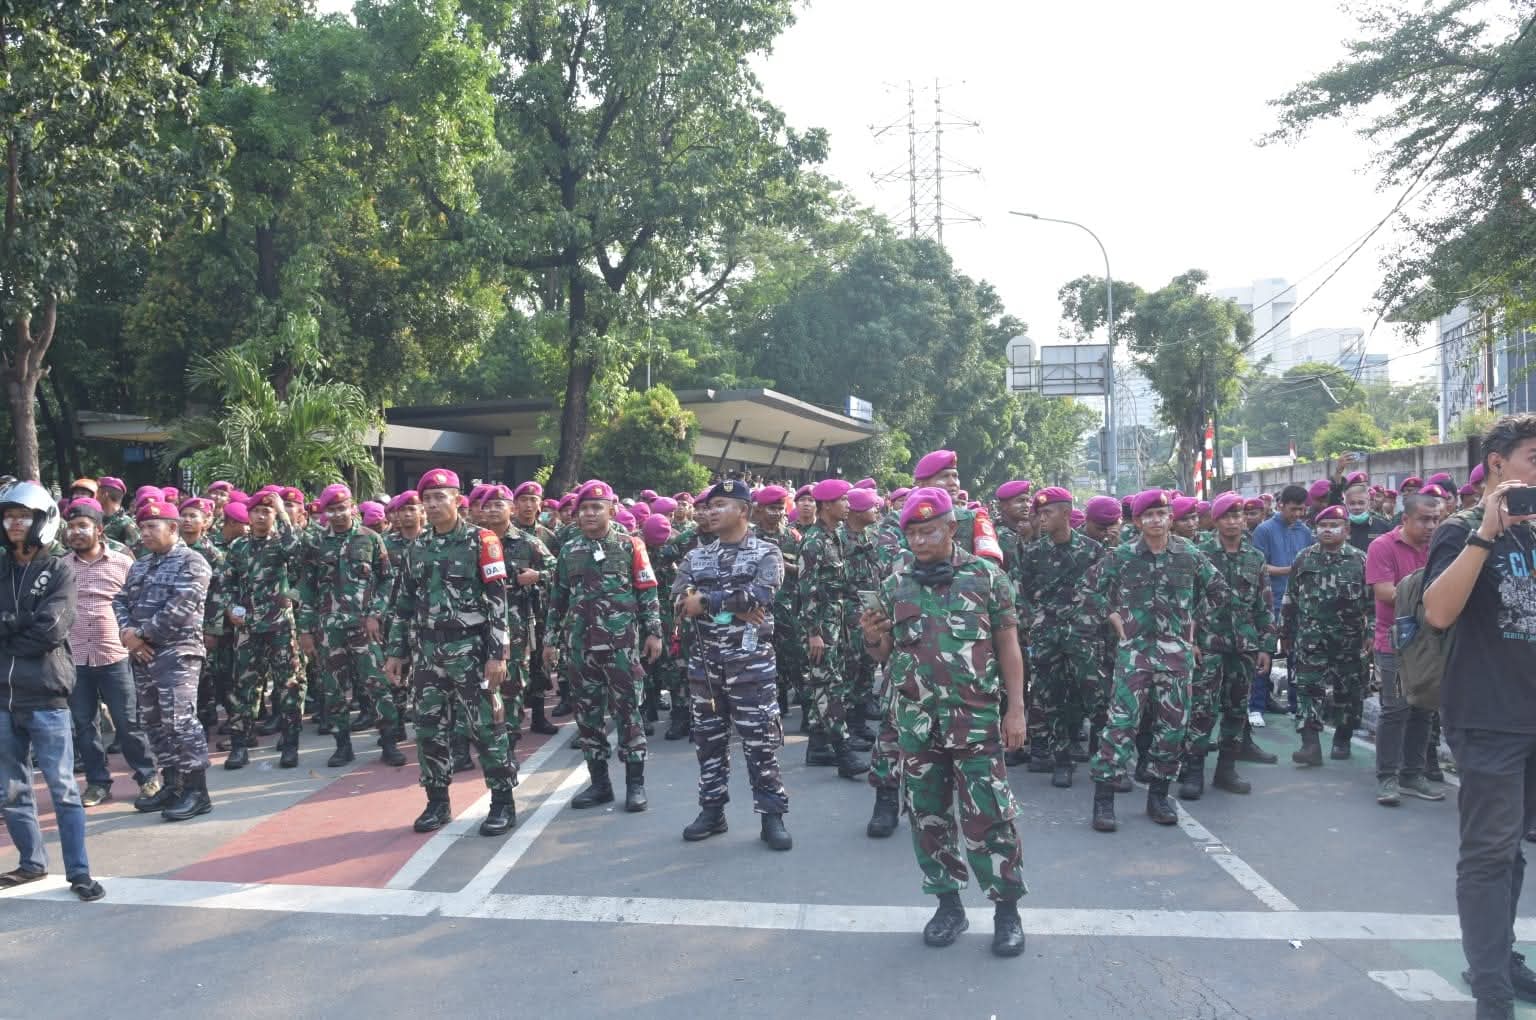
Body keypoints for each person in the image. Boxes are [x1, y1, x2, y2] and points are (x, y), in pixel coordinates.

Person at [859, 486, 1028, 957]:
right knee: (928, 818)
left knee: (991, 818)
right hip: (917, 724)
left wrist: (1016, 709)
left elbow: (1008, 646)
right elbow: (884, 655)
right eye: (912, 533)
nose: (919, 541)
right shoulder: (895, 585)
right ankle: (948, 906)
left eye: (929, 531)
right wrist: (872, 639)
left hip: (975, 722)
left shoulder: (987, 578)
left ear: (952, 528)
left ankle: (1007, 911)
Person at [1422, 414, 1536, 1019]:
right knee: (1490, 854)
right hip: (1489, 716)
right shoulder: (1460, 530)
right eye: (1535, 460)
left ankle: (1498, 958)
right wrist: (1487, 534)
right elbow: (1438, 613)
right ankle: (1491, 990)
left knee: (1512, 849)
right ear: (1497, 464)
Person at [1083, 489, 1228, 833]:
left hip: (1176, 655)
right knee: (1120, 725)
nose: (1156, 520)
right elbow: (1089, 589)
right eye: (1148, 515)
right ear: (1137, 521)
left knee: (1173, 727)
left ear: (1170, 518)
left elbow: (1218, 590)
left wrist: (1192, 622)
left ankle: (1159, 796)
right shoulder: (1123, 556)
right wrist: (1114, 617)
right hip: (1135, 654)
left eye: (1161, 514)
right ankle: (1104, 800)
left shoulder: (1188, 554)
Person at [386, 469, 516, 836]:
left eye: (439, 497)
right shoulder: (417, 546)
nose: (431, 504)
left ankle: (502, 803)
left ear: (457, 500)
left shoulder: (482, 540)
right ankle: (437, 802)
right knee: (428, 728)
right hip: (428, 651)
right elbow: (403, 604)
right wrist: (395, 652)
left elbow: (498, 602)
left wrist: (498, 654)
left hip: (471, 649)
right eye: (426, 499)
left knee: (486, 726)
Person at [674, 480, 792, 850]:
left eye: (721, 505)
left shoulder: (766, 552)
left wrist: (707, 601)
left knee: (760, 742)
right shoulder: (696, 557)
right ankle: (712, 811)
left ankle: (772, 816)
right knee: (709, 742)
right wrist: (733, 605)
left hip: (751, 665)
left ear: (743, 510)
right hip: (706, 666)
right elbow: (679, 601)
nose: (711, 511)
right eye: (709, 506)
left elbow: (761, 595)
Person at [0, 481, 102, 900]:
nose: (14, 523)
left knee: (62, 788)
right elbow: (32, 626)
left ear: (41, 520)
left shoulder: (59, 570)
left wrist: (10, 629)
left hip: (46, 696)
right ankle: (31, 863)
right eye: (8, 516)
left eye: (23, 516)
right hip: (3, 699)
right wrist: (19, 624)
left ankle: (79, 872)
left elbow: (51, 629)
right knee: (11, 791)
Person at [543, 480, 662, 813]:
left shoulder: (630, 546)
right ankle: (600, 785)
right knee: (587, 716)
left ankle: (635, 785)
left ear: (612, 510)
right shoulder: (569, 550)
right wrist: (550, 640)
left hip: (621, 647)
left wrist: (654, 632)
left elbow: (647, 591)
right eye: (584, 508)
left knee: (628, 713)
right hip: (580, 647)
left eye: (597, 507)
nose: (590, 513)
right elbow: (558, 598)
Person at [113, 499, 215, 821]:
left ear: (172, 528)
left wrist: (140, 635)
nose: (144, 532)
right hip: (143, 654)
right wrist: (128, 634)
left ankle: (197, 791)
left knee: (180, 721)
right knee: (154, 722)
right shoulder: (140, 565)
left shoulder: (192, 562)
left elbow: (180, 607)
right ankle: (173, 784)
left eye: (151, 526)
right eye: (142, 526)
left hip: (177, 653)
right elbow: (120, 601)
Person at [299, 484, 405, 769]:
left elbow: (387, 580)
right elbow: (307, 588)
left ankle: (389, 743)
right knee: (333, 689)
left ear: (352, 507)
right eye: (331, 510)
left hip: (364, 627)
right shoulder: (316, 544)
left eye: (342, 508)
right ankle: (342, 746)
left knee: (378, 685)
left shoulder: (370, 539)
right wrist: (305, 630)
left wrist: (375, 614)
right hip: (329, 629)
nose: (337, 514)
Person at [61, 498, 158, 808]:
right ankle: (97, 783)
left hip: (115, 655)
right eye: (71, 527)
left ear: (99, 530)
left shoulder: (122, 562)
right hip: (75, 658)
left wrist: (139, 639)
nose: (75, 532)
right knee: (84, 725)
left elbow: (140, 603)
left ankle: (147, 777)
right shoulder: (61, 566)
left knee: (128, 722)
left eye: (82, 526)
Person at [1183, 492, 1274, 798]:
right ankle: (1193, 770)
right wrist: (1190, 640)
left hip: (1244, 645)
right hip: (1208, 643)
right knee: (1202, 709)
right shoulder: (1199, 554)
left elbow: (1264, 605)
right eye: (1227, 517)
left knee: (1237, 708)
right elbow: (1187, 601)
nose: (1233, 522)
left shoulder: (1255, 557)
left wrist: (1266, 646)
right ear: (1216, 521)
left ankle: (1226, 769)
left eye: (1238, 516)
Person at [1015, 486, 1103, 787]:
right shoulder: (1034, 553)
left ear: (1066, 513)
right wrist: (1033, 622)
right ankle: (1061, 760)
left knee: (1093, 695)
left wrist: (1092, 621)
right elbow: (1023, 593)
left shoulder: (1092, 551)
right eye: (1039, 513)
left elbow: (1107, 590)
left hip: (1084, 636)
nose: (1041, 519)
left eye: (1048, 513)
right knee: (1051, 697)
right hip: (1047, 636)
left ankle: (1102, 758)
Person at [1367, 490, 1447, 806]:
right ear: (1405, 519)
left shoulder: (1441, 546)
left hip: (1431, 644)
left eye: (1436, 519)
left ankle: (1412, 774)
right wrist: (1433, 596)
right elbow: (1386, 593)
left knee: (1424, 709)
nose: (1431, 526)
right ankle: (1387, 776)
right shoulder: (1382, 546)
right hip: (1396, 644)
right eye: (1424, 520)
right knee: (1396, 708)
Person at [219, 490, 306, 769]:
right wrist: (231, 607)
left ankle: (290, 745)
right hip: (248, 627)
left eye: (266, 512)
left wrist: (283, 514)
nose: (260, 516)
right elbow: (227, 582)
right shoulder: (238, 547)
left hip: (279, 625)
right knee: (244, 687)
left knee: (288, 686)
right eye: (256, 511)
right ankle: (240, 745)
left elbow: (298, 556)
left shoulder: (281, 543)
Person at [1283, 505, 1373, 767]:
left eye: (1334, 525)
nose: (1328, 530)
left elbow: (1373, 602)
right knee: (1307, 690)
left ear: (1346, 530)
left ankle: (1343, 738)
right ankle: (1310, 744)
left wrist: (1371, 631)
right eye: (1323, 525)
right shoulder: (1304, 558)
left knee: (1349, 693)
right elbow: (1291, 597)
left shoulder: (1360, 560)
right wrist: (1285, 631)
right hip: (1311, 639)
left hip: (1349, 640)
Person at [798, 477, 866, 776]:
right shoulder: (814, 542)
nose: (848, 505)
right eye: (843, 500)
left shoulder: (835, 535)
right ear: (827, 504)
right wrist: (813, 633)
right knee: (830, 685)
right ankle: (843, 751)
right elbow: (806, 589)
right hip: (820, 625)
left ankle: (817, 746)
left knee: (826, 682)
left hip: (835, 620)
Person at [1250, 484, 1314, 719]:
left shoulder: (1305, 532)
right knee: (1265, 651)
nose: (1297, 514)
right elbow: (1259, 565)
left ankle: (1295, 707)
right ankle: (1256, 706)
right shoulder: (1264, 530)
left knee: (1296, 655)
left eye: (1301, 509)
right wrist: (1290, 570)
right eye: (1293, 509)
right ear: (1280, 505)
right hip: (1271, 600)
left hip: (1298, 603)